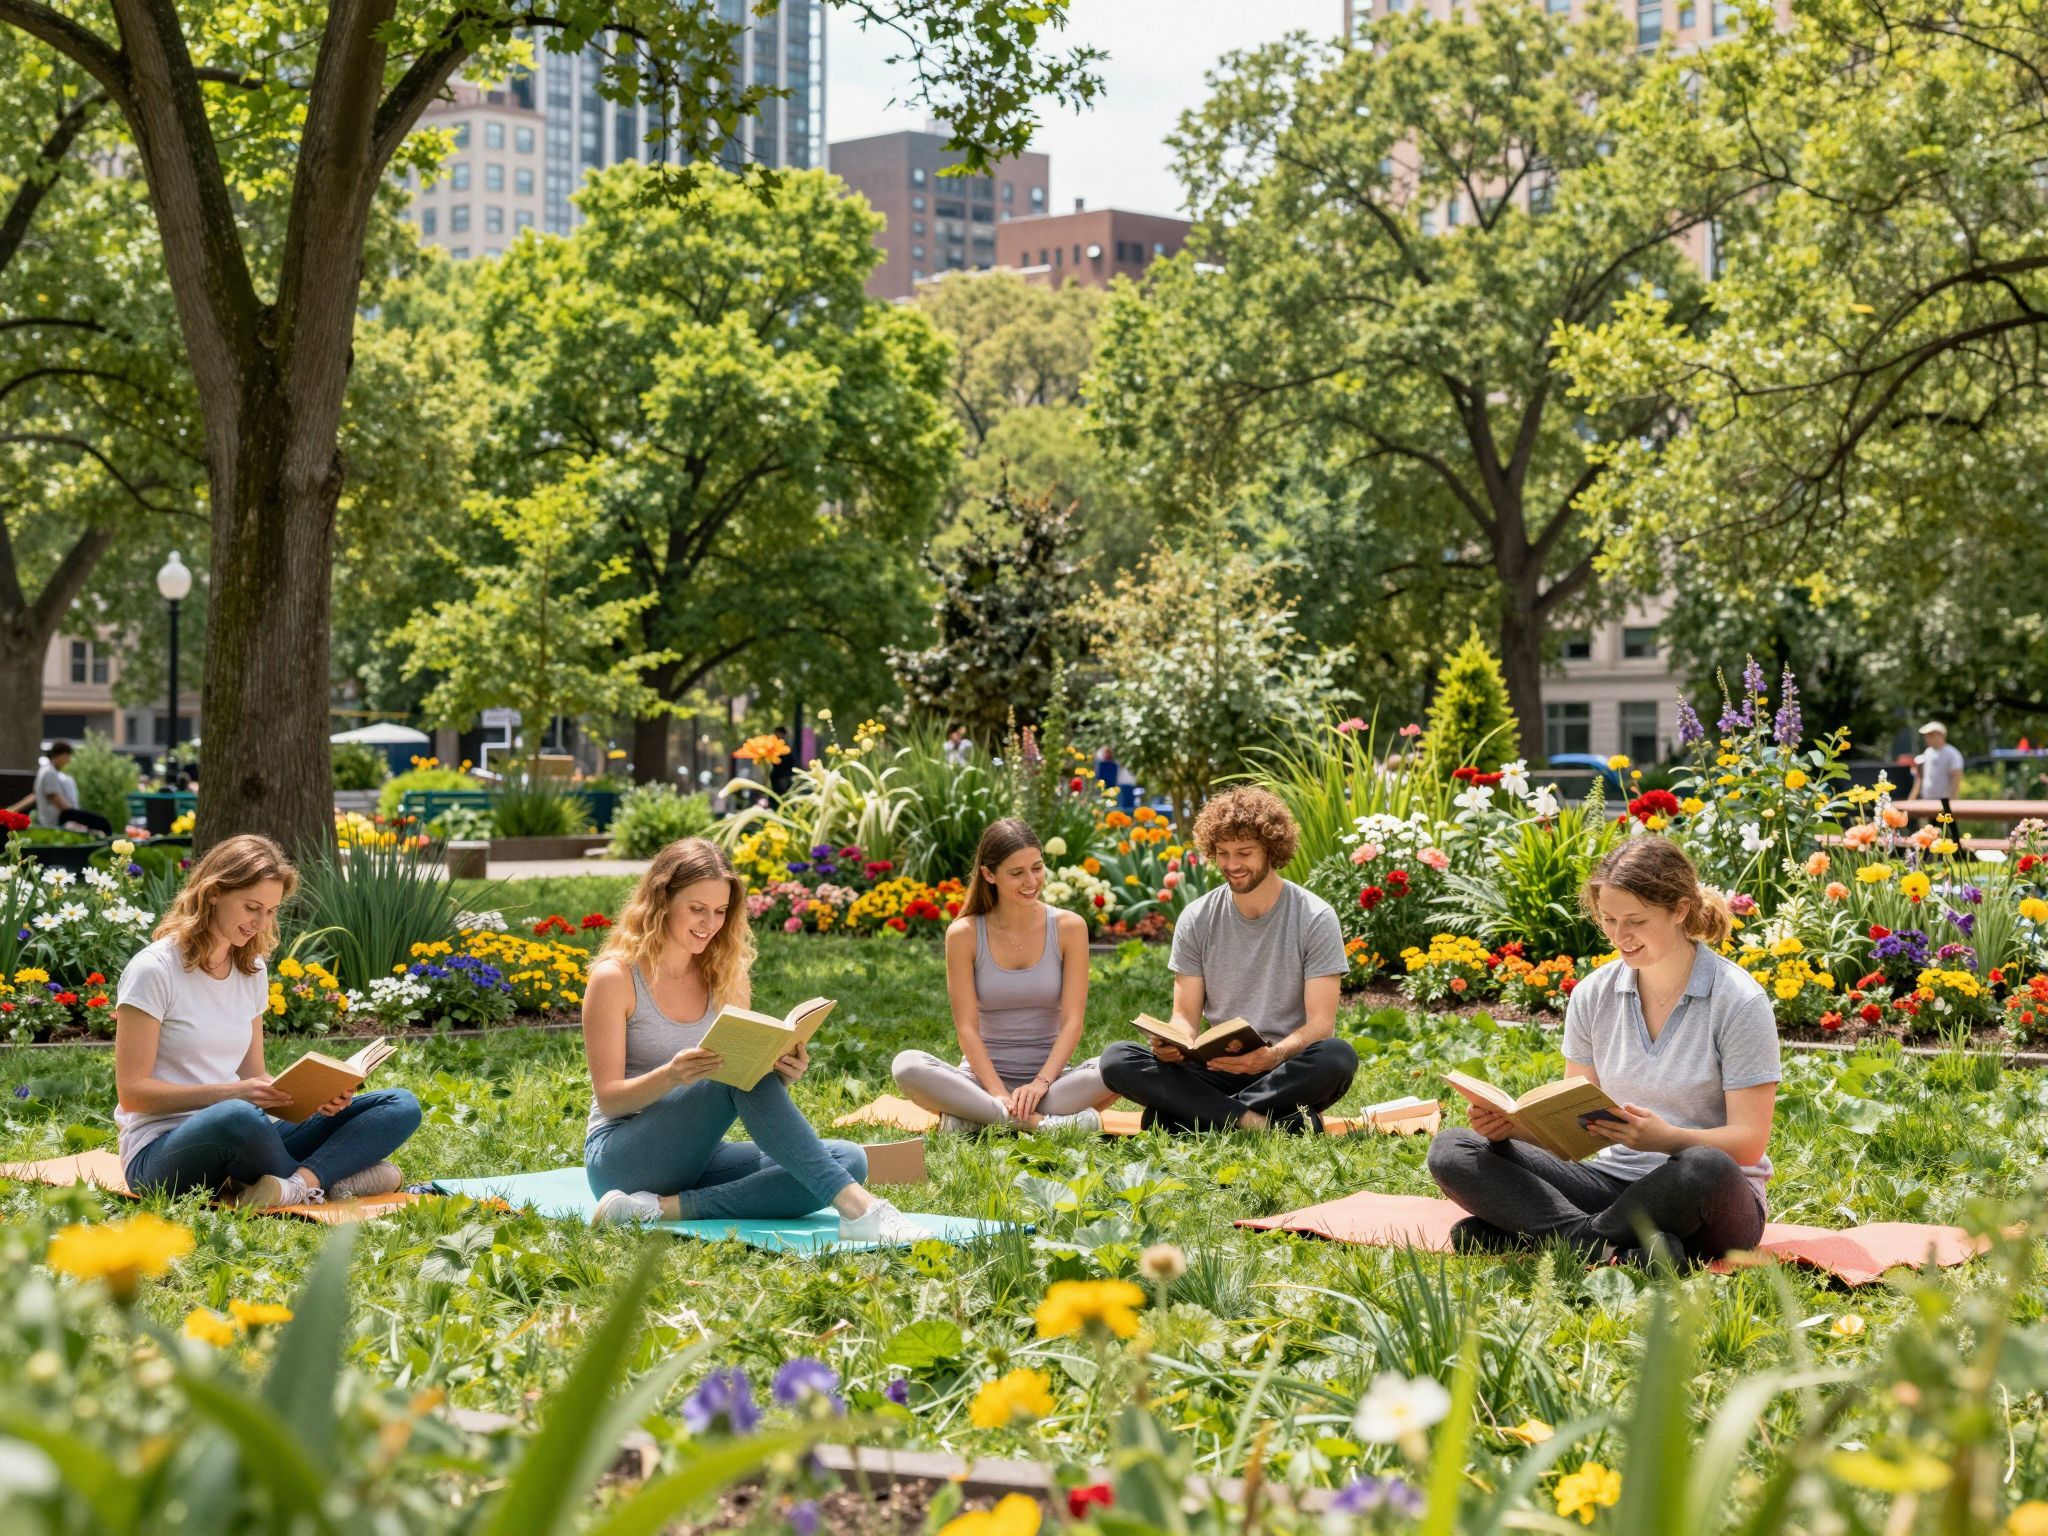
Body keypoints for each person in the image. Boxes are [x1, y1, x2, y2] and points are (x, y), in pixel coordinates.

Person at [1426, 837, 1779, 1266]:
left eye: (1635, 921)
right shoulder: (1594, 994)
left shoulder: (1738, 1001)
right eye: (1609, 919)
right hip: (1607, 1184)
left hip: (1710, 1199)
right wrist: (1511, 1128)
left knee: (1704, 1165)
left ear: (1680, 910)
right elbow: (1574, 1126)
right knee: (1454, 1150)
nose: (1619, 936)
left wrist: (1667, 1139)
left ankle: (1548, 1238)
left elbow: (1748, 1143)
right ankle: (1608, 1248)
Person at [583, 836, 931, 1239]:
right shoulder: (616, 978)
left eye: (719, 911)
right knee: (725, 1071)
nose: (709, 924)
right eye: (696, 909)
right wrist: (673, 1075)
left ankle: (660, 1209)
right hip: (622, 1159)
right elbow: (609, 1098)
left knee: (848, 1160)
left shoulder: (726, 977)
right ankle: (861, 1210)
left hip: (698, 1156)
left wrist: (781, 1072)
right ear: (661, 900)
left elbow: (747, 1086)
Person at [114, 834, 421, 1206]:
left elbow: (252, 1078)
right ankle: (337, 1178)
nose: (261, 923)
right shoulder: (154, 970)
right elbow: (133, 1095)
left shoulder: (251, 969)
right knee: (237, 1116)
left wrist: (313, 1097)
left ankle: (297, 1184)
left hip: (246, 1129)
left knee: (400, 1105)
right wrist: (235, 1095)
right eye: (251, 907)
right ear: (213, 893)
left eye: (271, 911)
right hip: (161, 1154)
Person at [1098, 786, 1357, 1131]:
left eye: (1244, 852)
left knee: (1338, 1056)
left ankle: (1188, 1115)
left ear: (1270, 849)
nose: (1232, 865)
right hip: (1213, 1069)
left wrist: (1272, 1055)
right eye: (1223, 853)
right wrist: (1171, 1043)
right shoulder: (1197, 917)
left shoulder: (1314, 916)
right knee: (1117, 1059)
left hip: (1281, 1068)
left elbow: (1320, 1025)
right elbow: (1185, 1017)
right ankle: (1259, 1122)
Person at [891, 819, 1111, 1132]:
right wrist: (998, 1093)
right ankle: (1039, 1125)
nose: (1031, 880)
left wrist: (1039, 1083)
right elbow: (966, 1029)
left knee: (1120, 1066)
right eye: (1016, 872)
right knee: (906, 1065)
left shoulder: (1070, 927)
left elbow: (1073, 1022)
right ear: (989, 874)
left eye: (1037, 867)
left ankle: (976, 1120)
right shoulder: (963, 934)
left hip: (1051, 1085)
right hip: (981, 1084)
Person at [35, 741, 111, 835]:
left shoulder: (47, 771)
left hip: (57, 819)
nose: (68, 760)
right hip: (56, 821)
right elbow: (57, 801)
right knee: (102, 823)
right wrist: (76, 816)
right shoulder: (49, 773)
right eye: (67, 756)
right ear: (61, 755)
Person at [1909, 720, 1966, 818]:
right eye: (1926, 736)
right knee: (1928, 831)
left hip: (1945, 803)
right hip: (1927, 800)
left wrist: (1952, 803)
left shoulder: (1952, 754)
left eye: (1931, 735)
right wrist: (1912, 798)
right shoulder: (1927, 752)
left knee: (1947, 832)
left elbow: (1956, 779)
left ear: (1941, 735)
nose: (1927, 738)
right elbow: (1921, 778)